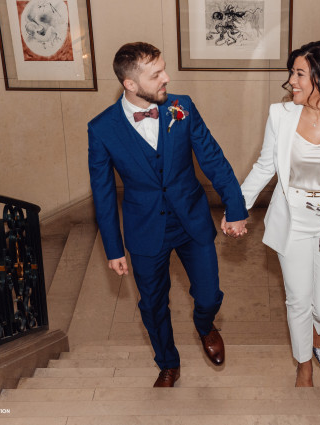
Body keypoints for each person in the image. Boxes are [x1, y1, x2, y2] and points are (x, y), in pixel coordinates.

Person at [88, 42, 248, 388]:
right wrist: (114, 249)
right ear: (130, 84)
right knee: (153, 304)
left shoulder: (182, 107)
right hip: (145, 229)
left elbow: (214, 160)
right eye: (156, 74)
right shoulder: (101, 129)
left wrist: (235, 208)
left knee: (209, 295)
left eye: (164, 69)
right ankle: (167, 362)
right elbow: (101, 194)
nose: (167, 77)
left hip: (191, 218)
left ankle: (205, 325)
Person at [231, 41, 320, 387]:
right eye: (292, 73)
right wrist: (238, 206)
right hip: (292, 223)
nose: (291, 81)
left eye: (299, 73)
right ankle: (304, 365)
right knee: (297, 299)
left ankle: (319, 333)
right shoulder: (280, 115)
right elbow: (265, 166)